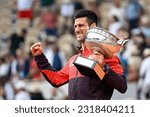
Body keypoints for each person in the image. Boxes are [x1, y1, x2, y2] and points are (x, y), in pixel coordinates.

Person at [30, 9, 127, 100]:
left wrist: (105, 67)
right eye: (75, 26)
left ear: (92, 27)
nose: (76, 30)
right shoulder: (74, 59)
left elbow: (122, 86)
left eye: (81, 26)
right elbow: (56, 79)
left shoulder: (106, 55)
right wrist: (40, 57)